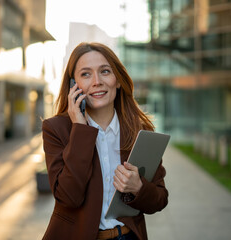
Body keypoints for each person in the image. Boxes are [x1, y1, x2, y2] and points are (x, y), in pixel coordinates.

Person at [41, 42, 168, 240]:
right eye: (85, 74)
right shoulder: (56, 130)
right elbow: (68, 197)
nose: (97, 81)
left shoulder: (140, 131)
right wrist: (80, 130)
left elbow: (160, 200)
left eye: (105, 71)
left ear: (117, 80)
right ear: (73, 85)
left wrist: (139, 188)